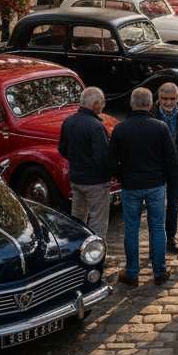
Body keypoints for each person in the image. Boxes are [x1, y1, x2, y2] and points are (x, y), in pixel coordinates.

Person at [106, 88, 177, 286]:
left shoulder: (121, 129)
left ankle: (132, 273)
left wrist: (123, 175)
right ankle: (159, 271)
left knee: (131, 230)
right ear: (150, 104)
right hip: (155, 184)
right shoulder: (160, 127)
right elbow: (172, 159)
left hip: (131, 186)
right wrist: (162, 175)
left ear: (132, 104)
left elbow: (110, 162)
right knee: (157, 229)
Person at [58, 86, 111, 240]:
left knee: (78, 220)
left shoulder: (68, 121)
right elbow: (101, 158)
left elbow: (62, 149)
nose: (103, 106)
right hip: (95, 183)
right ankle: (96, 258)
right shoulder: (95, 126)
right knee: (97, 224)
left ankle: (77, 249)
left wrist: (77, 161)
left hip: (76, 179)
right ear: (95, 104)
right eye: (102, 103)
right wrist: (110, 173)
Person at [150, 82, 178, 254]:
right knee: (156, 204)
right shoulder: (151, 113)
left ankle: (171, 236)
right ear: (158, 98)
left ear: (177, 98)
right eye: (165, 99)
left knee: (173, 204)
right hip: (157, 167)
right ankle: (156, 240)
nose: (168, 103)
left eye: (172, 99)